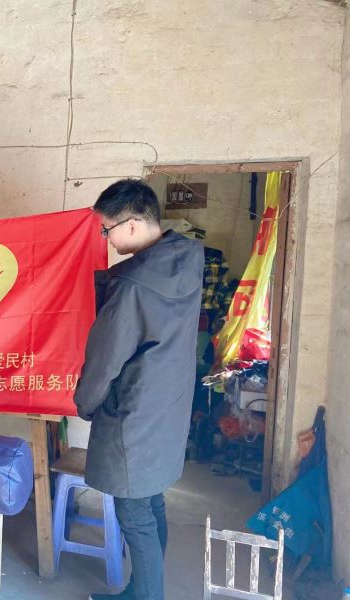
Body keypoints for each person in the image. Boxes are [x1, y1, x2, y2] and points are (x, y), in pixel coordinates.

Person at [75, 179, 204, 600]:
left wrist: (85, 403)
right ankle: (142, 588)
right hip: (168, 407)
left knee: (134, 515)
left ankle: (146, 595)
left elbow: (105, 359)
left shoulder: (132, 285)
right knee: (151, 501)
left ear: (130, 224)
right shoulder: (186, 260)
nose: (106, 238)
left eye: (107, 229)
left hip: (134, 413)